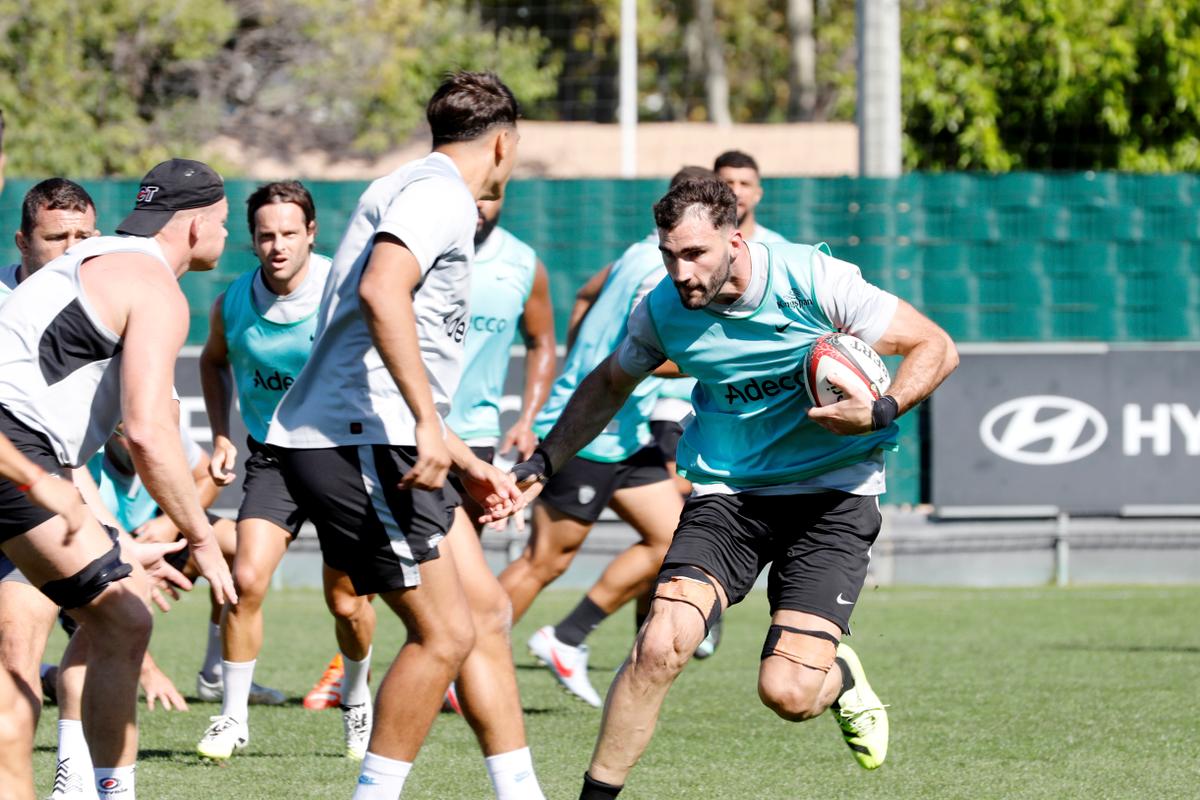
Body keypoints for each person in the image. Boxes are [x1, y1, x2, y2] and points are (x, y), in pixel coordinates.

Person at [507, 176, 959, 797]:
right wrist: (544, 463)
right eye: (669, 254)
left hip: (834, 494)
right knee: (661, 643)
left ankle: (839, 680)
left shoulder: (813, 281)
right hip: (730, 494)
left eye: (695, 254)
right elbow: (611, 382)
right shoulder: (663, 308)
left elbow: (935, 346)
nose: (681, 271)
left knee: (790, 693)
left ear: (734, 240)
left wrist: (882, 409)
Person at [265, 72, 541, 799]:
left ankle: (522, 792)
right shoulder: (439, 194)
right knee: (443, 635)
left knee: (485, 612)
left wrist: (460, 456)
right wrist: (427, 424)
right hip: (359, 437)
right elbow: (381, 289)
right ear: (504, 144)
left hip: (377, 433)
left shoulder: (409, 183)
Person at [0, 157, 237, 800]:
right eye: (222, 220)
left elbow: (61, 427)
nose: (225, 235)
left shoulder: (97, 258)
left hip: (26, 456)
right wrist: (203, 539)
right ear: (193, 224)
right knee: (121, 620)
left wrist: (115, 536)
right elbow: (148, 434)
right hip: (14, 456)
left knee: (97, 618)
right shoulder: (155, 287)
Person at [499, 169, 714, 707]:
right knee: (544, 561)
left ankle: (566, 637)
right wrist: (710, 361)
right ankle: (458, 658)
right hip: (592, 430)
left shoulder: (635, 256)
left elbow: (587, 294)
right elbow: (644, 350)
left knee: (671, 539)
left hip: (629, 431)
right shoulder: (658, 272)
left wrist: (583, 350)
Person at [196, 180, 376, 760]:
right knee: (246, 581)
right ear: (252, 240)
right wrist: (224, 433)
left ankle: (357, 700)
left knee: (346, 602)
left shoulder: (343, 289)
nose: (277, 245)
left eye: (289, 234)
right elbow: (213, 360)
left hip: (342, 456)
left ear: (311, 234)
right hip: (273, 457)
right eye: (266, 235)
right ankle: (231, 718)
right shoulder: (233, 302)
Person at [434, 193, 556, 715]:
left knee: (462, 576)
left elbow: (543, 341)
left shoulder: (523, 264)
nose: (480, 205)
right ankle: (349, 674)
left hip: (478, 438)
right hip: (417, 432)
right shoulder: (421, 252)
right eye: (471, 194)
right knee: (379, 574)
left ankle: (450, 678)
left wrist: (527, 418)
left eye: (491, 195)